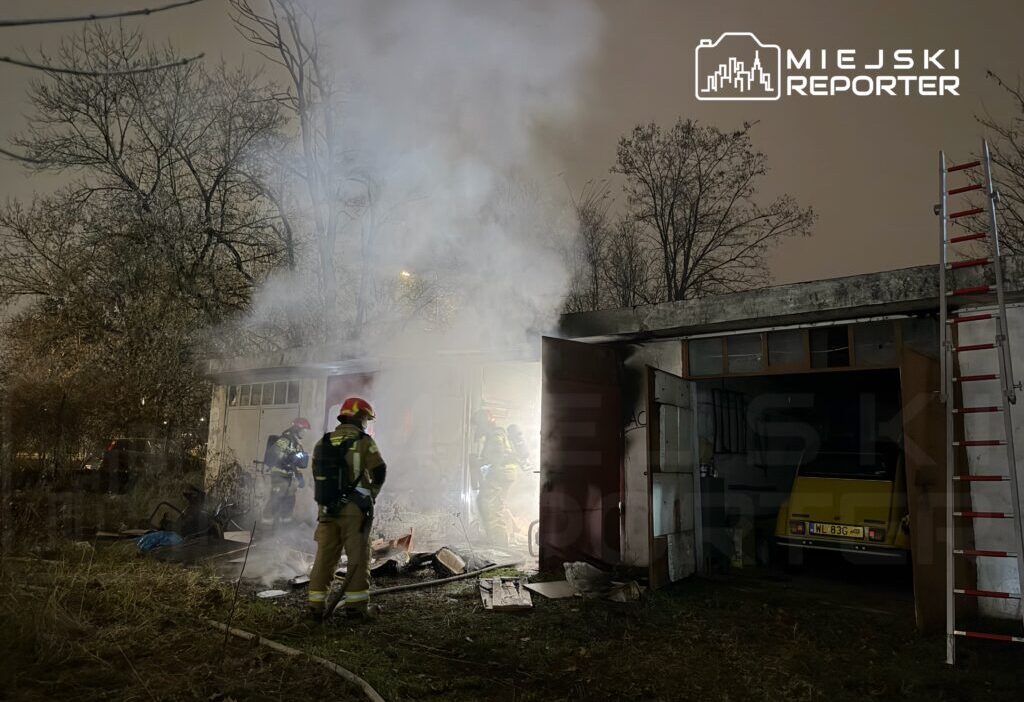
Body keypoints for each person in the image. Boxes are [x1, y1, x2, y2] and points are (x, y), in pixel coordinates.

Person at [307, 397, 387, 621]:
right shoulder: (364, 441)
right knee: (358, 557)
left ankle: (315, 606)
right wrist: (371, 494)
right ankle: (357, 609)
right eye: (365, 419)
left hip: (327, 511)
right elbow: (380, 471)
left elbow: (316, 475)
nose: (366, 423)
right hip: (355, 512)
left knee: (324, 557)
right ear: (361, 417)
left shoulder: (322, 442)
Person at [470, 409, 525, 547]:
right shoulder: (495, 434)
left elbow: (497, 455)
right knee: (493, 505)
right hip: (503, 473)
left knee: (489, 506)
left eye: (478, 425)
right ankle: (498, 541)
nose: (477, 428)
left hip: (501, 473)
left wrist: (479, 462)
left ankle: (499, 545)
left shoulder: (495, 435)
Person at [260, 417, 311, 527]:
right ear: (297, 429)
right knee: (275, 501)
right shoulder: (285, 440)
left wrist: (299, 475)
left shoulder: (297, 444)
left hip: (289, 477)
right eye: (303, 431)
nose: (304, 433)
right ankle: (265, 527)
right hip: (279, 475)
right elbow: (274, 453)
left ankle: (285, 528)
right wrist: (287, 458)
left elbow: (297, 462)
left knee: (289, 502)